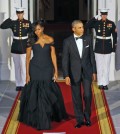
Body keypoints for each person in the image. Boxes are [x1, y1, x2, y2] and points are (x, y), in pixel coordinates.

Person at [18, 20, 68, 130]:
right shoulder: (31, 40)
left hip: (47, 68)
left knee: (46, 92)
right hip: (35, 68)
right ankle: (40, 119)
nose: (37, 32)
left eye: (39, 29)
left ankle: (46, 116)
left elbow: (53, 56)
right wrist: (27, 75)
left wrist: (56, 71)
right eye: (35, 30)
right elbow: (27, 58)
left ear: (43, 28)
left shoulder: (50, 39)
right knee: (37, 93)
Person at [62, 20, 96, 128]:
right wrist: (66, 75)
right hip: (73, 73)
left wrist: (94, 71)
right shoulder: (67, 41)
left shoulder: (88, 39)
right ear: (73, 29)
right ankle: (80, 120)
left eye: (82, 27)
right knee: (76, 97)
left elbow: (92, 56)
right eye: (80, 27)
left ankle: (87, 117)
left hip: (87, 71)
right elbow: (65, 60)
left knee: (87, 95)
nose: (82, 29)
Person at [0, 7, 32, 91]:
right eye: (18, 13)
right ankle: (19, 84)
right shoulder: (13, 23)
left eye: (21, 13)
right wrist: (10, 18)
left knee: (24, 66)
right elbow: (2, 26)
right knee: (17, 66)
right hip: (15, 46)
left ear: (23, 13)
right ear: (16, 14)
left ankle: (25, 83)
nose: (19, 15)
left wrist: (30, 44)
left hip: (24, 46)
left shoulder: (28, 22)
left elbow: (32, 33)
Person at [86, 9, 117, 90]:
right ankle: (100, 83)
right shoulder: (97, 22)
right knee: (99, 66)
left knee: (106, 66)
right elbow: (87, 25)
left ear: (107, 15)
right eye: (102, 14)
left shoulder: (111, 23)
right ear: (100, 15)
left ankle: (105, 84)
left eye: (105, 14)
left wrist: (114, 47)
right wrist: (93, 18)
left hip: (108, 47)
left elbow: (114, 35)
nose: (104, 16)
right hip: (98, 47)